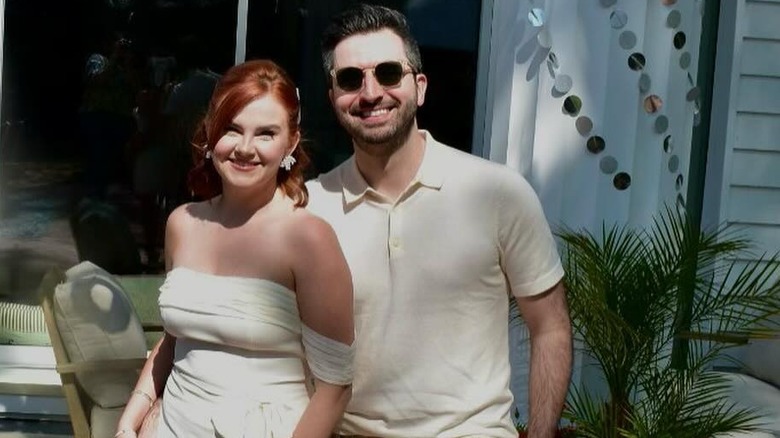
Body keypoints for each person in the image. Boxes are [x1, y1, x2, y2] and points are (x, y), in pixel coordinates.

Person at [306, 4, 573, 438]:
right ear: (332, 97)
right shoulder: (310, 208)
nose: (370, 92)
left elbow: (550, 327)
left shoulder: (497, 193)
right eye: (351, 79)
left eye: (388, 73)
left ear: (420, 87)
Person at [115, 59, 355, 438]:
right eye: (232, 128)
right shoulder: (182, 223)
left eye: (265, 134)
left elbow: (335, 388)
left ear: (291, 143)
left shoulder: (308, 239)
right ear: (211, 132)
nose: (245, 148)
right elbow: (176, 338)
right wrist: (129, 421)